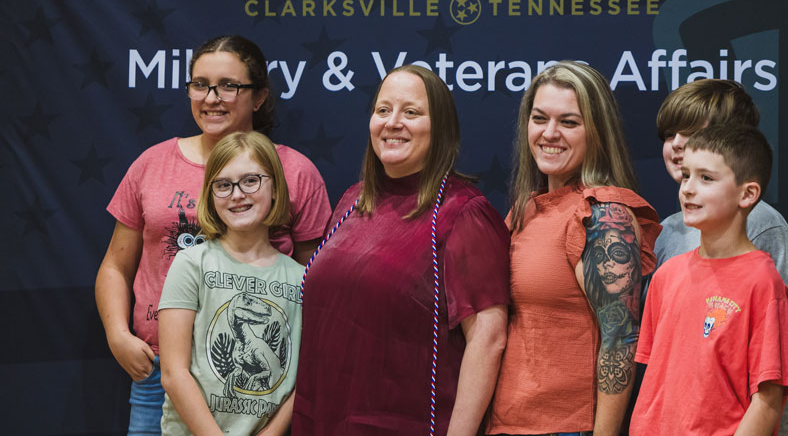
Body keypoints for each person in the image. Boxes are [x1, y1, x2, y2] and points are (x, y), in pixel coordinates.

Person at [95, 35, 331, 434]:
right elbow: (116, 264)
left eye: (228, 86)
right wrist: (118, 334)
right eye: (200, 84)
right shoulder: (151, 164)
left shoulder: (295, 172)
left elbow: (314, 283)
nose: (211, 97)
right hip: (159, 369)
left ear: (258, 97)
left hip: (259, 391)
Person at [291, 65, 511, 435]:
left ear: (440, 127)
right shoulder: (352, 200)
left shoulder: (463, 213)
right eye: (383, 110)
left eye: (411, 112)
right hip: (321, 420)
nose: (393, 122)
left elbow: (488, 339)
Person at [487, 61, 661, 436]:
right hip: (507, 423)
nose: (550, 133)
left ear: (596, 132)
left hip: (566, 428)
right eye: (539, 118)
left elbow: (620, 340)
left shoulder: (602, 214)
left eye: (569, 122)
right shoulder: (524, 209)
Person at [653, 79, 788, 433]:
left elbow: (773, 364)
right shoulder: (666, 232)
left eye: (690, 132)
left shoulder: (762, 225)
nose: (676, 144)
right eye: (669, 134)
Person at [158, 131, 301, 435]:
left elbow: (303, 379)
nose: (237, 194)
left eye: (250, 181)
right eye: (223, 185)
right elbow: (172, 373)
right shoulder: (191, 263)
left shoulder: (301, 279)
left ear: (274, 186)